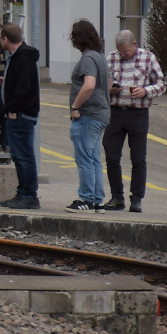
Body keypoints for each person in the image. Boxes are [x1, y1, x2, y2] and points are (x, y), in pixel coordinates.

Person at [103, 29, 165, 213]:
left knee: (138, 158)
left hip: (138, 113)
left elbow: (161, 83)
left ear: (134, 45)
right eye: (120, 52)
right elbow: (102, 83)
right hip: (115, 112)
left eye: (126, 52)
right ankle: (117, 197)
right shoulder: (111, 58)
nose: (122, 55)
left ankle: (136, 198)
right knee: (111, 155)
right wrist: (110, 89)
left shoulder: (148, 58)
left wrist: (146, 91)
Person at [64, 20, 111, 212]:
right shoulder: (100, 57)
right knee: (93, 159)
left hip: (87, 115)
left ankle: (86, 198)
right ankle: (98, 199)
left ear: (77, 39)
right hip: (101, 114)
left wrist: (75, 106)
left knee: (84, 157)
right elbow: (107, 85)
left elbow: (89, 84)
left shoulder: (88, 59)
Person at [0, 23, 42, 209]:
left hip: (21, 115)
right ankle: (23, 192)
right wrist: (6, 82)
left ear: (6, 39)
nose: (0, 42)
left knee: (23, 156)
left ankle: (29, 194)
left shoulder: (22, 59)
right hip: (20, 113)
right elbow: (21, 82)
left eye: (0, 38)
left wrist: (11, 108)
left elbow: (24, 88)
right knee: (19, 155)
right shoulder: (20, 57)